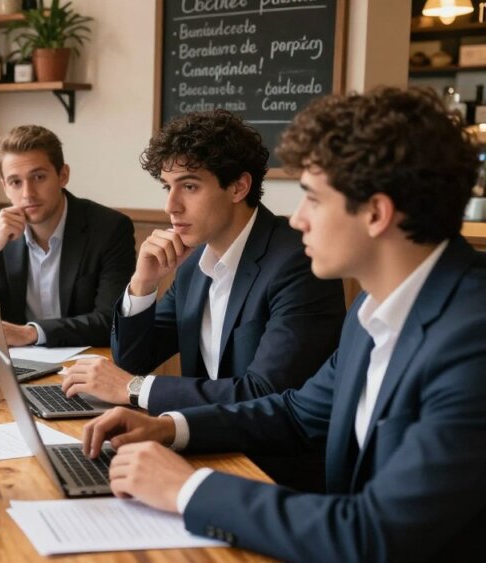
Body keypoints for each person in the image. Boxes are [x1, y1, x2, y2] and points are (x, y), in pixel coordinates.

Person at [82, 87, 486, 561]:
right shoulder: (372, 308)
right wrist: (170, 428)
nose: (298, 218)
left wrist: (188, 489)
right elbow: (297, 413)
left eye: (313, 199)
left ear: (376, 213)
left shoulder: (472, 338)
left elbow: (376, 534)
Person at [62, 110, 345, 491]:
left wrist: (134, 390)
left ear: (238, 187)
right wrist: (142, 284)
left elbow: (266, 393)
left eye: (190, 186)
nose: (171, 206)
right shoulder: (195, 263)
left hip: (274, 473)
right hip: (206, 448)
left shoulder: (297, 262)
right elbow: (132, 359)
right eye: (167, 187)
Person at [0, 124, 136, 347]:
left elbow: (110, 321)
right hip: (20, 363)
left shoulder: (109, 228)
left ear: (63, 175)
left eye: (38, 177)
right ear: (5, 187)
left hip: (87, 363)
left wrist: (31, 333)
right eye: (16, 182)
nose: (28, 193)